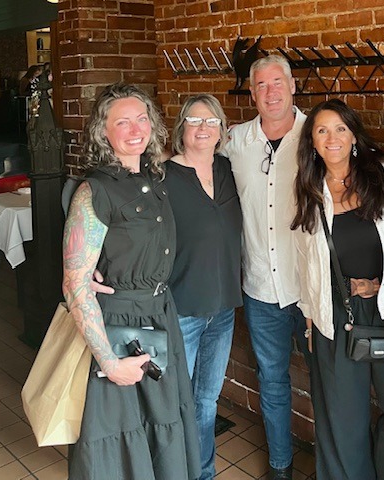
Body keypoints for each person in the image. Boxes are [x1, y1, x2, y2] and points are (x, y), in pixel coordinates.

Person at [62, 82, 201, 480]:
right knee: (121, 440)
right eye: (122, 122)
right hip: (118, 324)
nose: (135, 129)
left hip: (159, 314)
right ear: (103, 131)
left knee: (161, 428)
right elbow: (75, 284)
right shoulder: (93, 190)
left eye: (142, 118)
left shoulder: (155, 177)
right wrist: (108, 361)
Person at [291, 99, 384, 480]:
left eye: (340, 129)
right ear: (313, 142)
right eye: (322, 131)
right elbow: (304, 258)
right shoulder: (309, 188)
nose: (332, 138)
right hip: (335, 312)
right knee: (342, 418)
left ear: (353, 136)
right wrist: (310, 316)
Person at [222, 54, 308, 480]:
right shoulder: (235, 141)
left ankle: (336, 465)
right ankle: (280, 467)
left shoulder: (319, 133)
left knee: (330, 383)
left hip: (312, 289)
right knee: (271, 380)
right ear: (252, 93)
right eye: (261, 85)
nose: (270, 92)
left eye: (278, 82)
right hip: (259, 287)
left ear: (292, 86)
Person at [166, 94, 242, 480]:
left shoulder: (228, 168)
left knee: (207, 401)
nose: (203, 128)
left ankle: (203, 473)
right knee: (174, 402)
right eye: (195, 120)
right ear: (181, 127)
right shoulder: (163, 176)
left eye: (211, 121)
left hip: (223, 308)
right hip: (182, 307)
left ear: (222, 130)